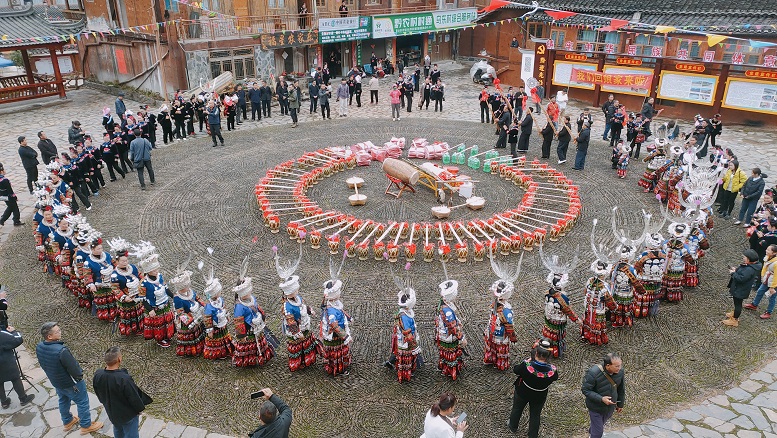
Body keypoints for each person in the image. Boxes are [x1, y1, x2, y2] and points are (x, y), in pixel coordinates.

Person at [36, 322, 103, 434]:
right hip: (70, 383)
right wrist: (79, 377)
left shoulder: (39, 347)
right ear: (49, 336)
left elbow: (43, 364)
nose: (60, 332)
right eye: (57, 331)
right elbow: (74, 368)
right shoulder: (61, 350)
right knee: (82, 401)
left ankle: (67, 421)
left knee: (63, 399)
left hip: (56, 381)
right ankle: (86, 425)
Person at [93, 346, 149, 438]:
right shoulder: (124, 379)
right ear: (119, 359)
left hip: (112, 412)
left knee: (118, 430)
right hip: (127, 415)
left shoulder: (98, 374)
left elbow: (98, 392)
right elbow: (133, 397)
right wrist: (140, 409)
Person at [506, 340, 558, 437]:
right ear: (548, 355)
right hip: (540, 395)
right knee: (535, 415)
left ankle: (512, 426)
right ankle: (533, 435)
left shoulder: (527, 365)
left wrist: (528, 361)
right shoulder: (552, 370)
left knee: (517, 408)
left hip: (523, 391)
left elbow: (516, 370)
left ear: (536, 353)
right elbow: (555, 378)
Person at [233, 271, 275, 367]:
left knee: (259, 340)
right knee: (250, 344)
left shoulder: (252, 298)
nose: (249, 294)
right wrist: (241, 336)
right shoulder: (239, 307)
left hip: (257, 325)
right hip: (248, 328)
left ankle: (261, 354)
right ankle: (250, 359)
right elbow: (238, 322)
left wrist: (262, 316)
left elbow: (257, 307)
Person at [582, 353, 625, 438]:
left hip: (610, 407)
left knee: (599, 424)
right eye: (616, 366)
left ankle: (592, 431)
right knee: (598, 433)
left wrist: (620, 404)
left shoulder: (620, 372)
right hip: (596, 407)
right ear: (608, 366)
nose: (619, 368)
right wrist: (601, 399)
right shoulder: (593, 373)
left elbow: (621, 389)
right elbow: (585, 390)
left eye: (620, 365)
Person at [319, 270, 352, 376]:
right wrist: (345, 336)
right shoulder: (331, 311)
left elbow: (341, 310)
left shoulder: (334, 303)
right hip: (335, 336)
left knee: (341, 350)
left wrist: (348, 317)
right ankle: (337, 368)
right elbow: (334, 325)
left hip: (339, 333)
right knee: (337, 352)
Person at [170, 269, 206, 357]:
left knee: (199, 331)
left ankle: (200, 345)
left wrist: (205, 306)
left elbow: (197, 298)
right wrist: (191, 322)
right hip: (188, 320)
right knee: (190, 334)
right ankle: (190, 350)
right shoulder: (177, 298)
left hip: (196, 314)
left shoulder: (190, 291)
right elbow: (181, 313)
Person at [436, 280, 467, 381]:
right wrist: (462, 338)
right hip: (448, 336)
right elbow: (452, 326)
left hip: (444, 334)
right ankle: (450, 371)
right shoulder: (447, 311)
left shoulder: (443, 304)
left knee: (447, 353)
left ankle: (445, 367)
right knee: (451, 354)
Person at [722, 249, 762, 327]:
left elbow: (741, 279)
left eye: (744, 257)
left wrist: (733, 273)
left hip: (740, 290)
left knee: (738, 305)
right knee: (736, 303)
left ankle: (734, 320)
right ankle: (734, 314)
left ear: (749, 259)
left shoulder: (750, 269)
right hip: (740, 289)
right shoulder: (750, 266)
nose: (743, 258)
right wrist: (736, 270)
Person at [1, 325, 35, 409]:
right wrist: (13, 332)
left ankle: (4, 402)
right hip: (6, 362)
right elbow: (17, 339)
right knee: (15, 378)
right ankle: (23, 398)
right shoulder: (1, 334)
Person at [745, 244, 777, 319]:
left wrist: (772, 287)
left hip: (774, 282)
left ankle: (769, 312)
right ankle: (754, 304)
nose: (766, 251)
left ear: (774, 253)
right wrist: (763, 277)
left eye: (769, 250)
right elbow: (764, 268)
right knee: (760, 291)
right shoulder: (767, 258)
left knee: (772, 297)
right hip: (767, 279)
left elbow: (776, 276)